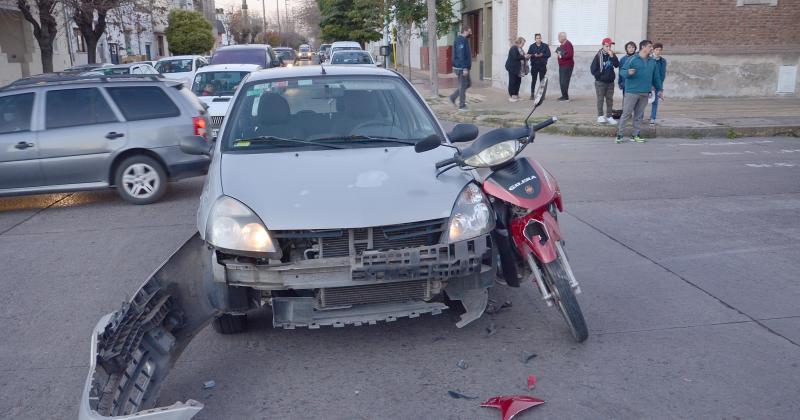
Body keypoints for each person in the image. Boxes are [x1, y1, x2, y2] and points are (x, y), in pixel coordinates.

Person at [615, 40, 663, 144]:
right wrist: (628, 72)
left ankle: (635, 135)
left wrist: (659, 90)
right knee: (626, 114)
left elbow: (656, 77)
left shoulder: (652, 61)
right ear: (643, 47)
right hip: (632, 91)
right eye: (650, 46)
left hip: (645, 92)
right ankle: (619, 135)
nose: (651, 49)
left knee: (639, 115)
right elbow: (622, 71)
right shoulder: (632, 59)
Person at [590, 37, 620, 125]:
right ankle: (600, 116)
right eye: (607, 46)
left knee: (609, 100)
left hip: (610, 82)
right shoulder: (598, 56)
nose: (608, 48)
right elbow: (593, 69)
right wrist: (600, 77)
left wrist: (612, 56)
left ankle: (609, 116)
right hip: (601, 82)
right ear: (603, 46)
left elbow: (617, 65)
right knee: (600, 99)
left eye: (610, 46)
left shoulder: (612, 55)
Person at [449, 26, 473, 111]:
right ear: (465, 31)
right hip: (461, 67)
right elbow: (461, 55)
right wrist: (464, 68)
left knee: (468, 83)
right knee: (463, 85)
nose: (471, 34)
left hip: (462, 66)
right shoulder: (461, 40)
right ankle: (462, 105)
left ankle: (452, 97)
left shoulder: (463, 40)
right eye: (469, 32)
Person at [527, 33, 550, 100]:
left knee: (542, 81)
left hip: (542, 65)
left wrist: (542, 55)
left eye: (539, 38)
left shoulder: (545, 46)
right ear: (535, 39)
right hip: (534, 65)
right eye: (537, 38)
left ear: (541, 38)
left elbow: (549, 54)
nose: (538, 39)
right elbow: (529, 54)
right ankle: (532, 94)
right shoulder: (531, 46)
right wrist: (534, 55)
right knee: (533, 80)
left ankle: (541, 95)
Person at [505, 37, 528, 102]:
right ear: (519, 42)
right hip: (512, 68)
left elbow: (522, 57)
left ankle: (516, 95)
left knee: (518, 82)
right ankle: (512, 95)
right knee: (512, 82)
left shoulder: (520, 49)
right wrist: (524, 57)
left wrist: (526, 56)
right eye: (523, 43)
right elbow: (516, 57)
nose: (523, 45)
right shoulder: (514, 48)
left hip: (519, 69)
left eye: (524, 43)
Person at [649, 43, 667, 125]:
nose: (658, 51)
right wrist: (650, 85)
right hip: (647, 84)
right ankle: (640, 117)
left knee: (655, 102)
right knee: (643, 102)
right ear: (653, 50)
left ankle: (653, 118)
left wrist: (660, 88)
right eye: (657, 49)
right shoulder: (648, 59)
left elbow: (662, 75)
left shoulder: (663, 61)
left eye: (660, 50)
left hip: (657, 84)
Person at [555, 32, 574, 101]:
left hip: (567, 66)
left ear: (562, 37)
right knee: (561, 81)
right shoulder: (562, 45)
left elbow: (570, 55)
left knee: (564, 81)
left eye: (558, 37)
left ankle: (566, 97)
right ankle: (563, 96)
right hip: (562, 65)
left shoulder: (568, 44)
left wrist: (561, 55)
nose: (558, 39)